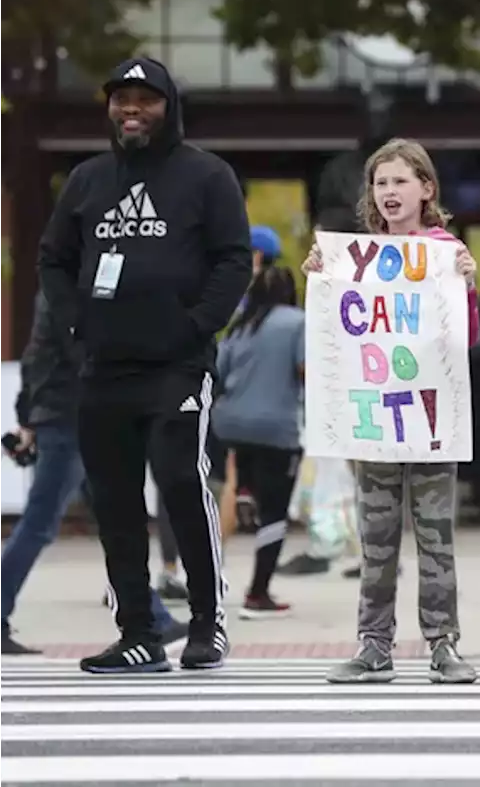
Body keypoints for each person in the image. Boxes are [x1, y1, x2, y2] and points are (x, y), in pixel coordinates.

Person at [37, 56, 252, 674]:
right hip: (103, 368)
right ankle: (138, 631)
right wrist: (74, 321)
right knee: (114, 502)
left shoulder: (207, 176)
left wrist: (192, 325)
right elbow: (53, 259)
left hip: (177, 369)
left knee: (182, 484)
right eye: (121, 100)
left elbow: (234, 261)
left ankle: (208, 623)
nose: (131, 110)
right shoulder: (86, 180)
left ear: (168, 107)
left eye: (145, 100)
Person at [303, 138, 480, 685]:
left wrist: (468, 287)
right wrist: (319, 280)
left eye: (400, 181)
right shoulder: (355, 259)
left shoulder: (443, 251)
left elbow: (465, 338)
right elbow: (336, 336)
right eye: (381, 183)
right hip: (375, 421)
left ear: (426, 189)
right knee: (376, 540)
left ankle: (442, 643)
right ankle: (373, 643)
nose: (389, 193)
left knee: (435, 538)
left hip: (429, 422)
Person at [1, 291, 188, 655]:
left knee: (112, 518)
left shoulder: (51, 294)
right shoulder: (76, 291)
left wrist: (28, 416)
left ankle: (152, 615)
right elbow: (88, 356)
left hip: (65, 416)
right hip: (73, 420)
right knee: (41, 522)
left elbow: (34, 359)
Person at [211, 264, 305, 619]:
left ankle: (245, 489)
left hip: (230, 423)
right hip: (276, 428)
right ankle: (258, 592)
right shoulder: (299, 322)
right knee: (275, 512)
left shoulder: (239, 327)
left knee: (235, 484)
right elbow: (306, 370)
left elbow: (217, 374)